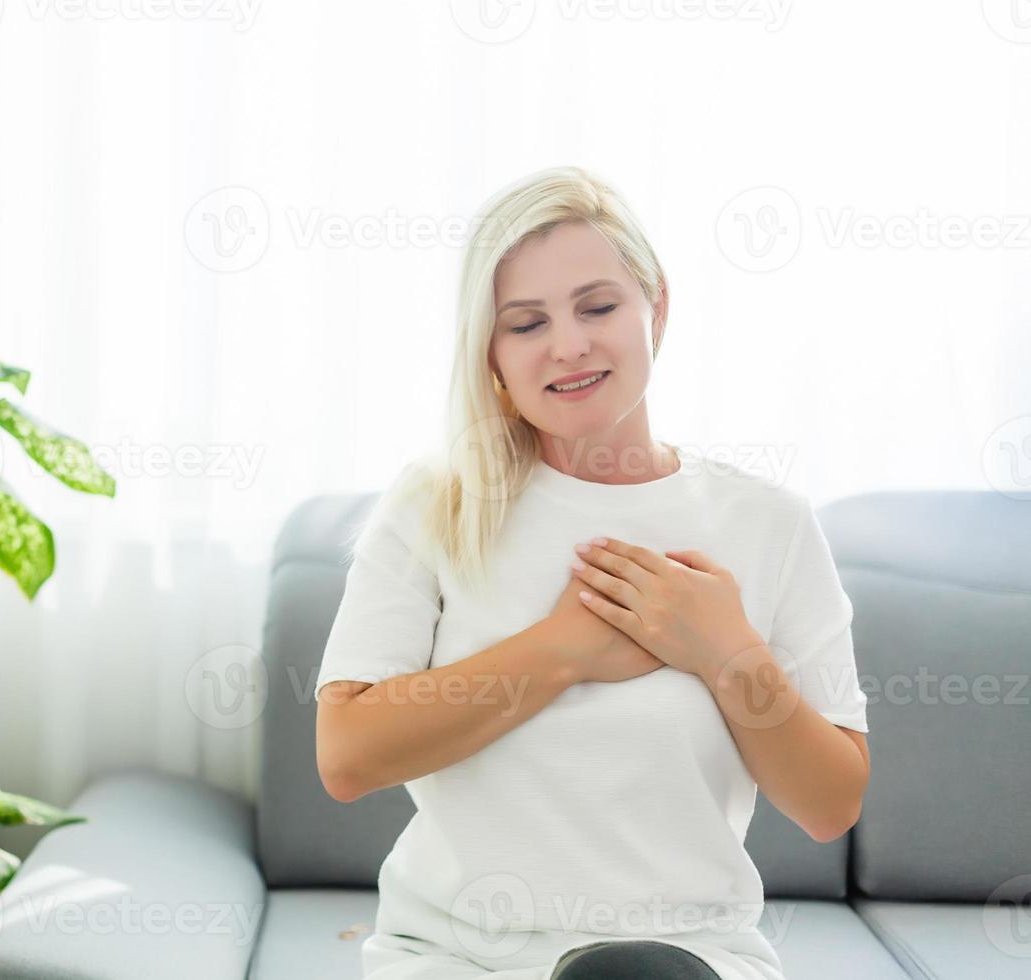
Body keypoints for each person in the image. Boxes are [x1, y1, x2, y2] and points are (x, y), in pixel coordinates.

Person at [313, 165, 872, 980]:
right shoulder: (437, 505)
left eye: (598, 306)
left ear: (658, 308)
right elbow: (347, 755)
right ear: (492, 355)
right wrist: (565, 650)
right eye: (526, 322)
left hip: (686, 960)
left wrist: (727, 655)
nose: (568, 343)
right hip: (457, 960)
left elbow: (832, 805)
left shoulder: (768, 524)